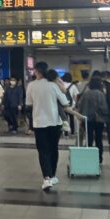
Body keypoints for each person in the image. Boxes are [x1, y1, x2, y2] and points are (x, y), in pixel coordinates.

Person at [26, 62, 70, 191]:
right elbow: (65, 102)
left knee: (43, 151)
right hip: (55, 123)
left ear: (37, 71)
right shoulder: (53, 85)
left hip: (39, 123)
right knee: (53, 149)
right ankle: (52, 175)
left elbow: (29, 103)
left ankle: (46, 178)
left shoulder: (31, 85)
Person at [78, 77, 108, 166]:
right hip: (99, 120)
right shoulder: (101, 94)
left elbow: (80, 107)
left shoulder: (86, 94)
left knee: (89, 139)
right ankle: (99, 158)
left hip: (87, 120)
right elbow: (105, 108)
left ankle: (89, 157)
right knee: (99, 139)